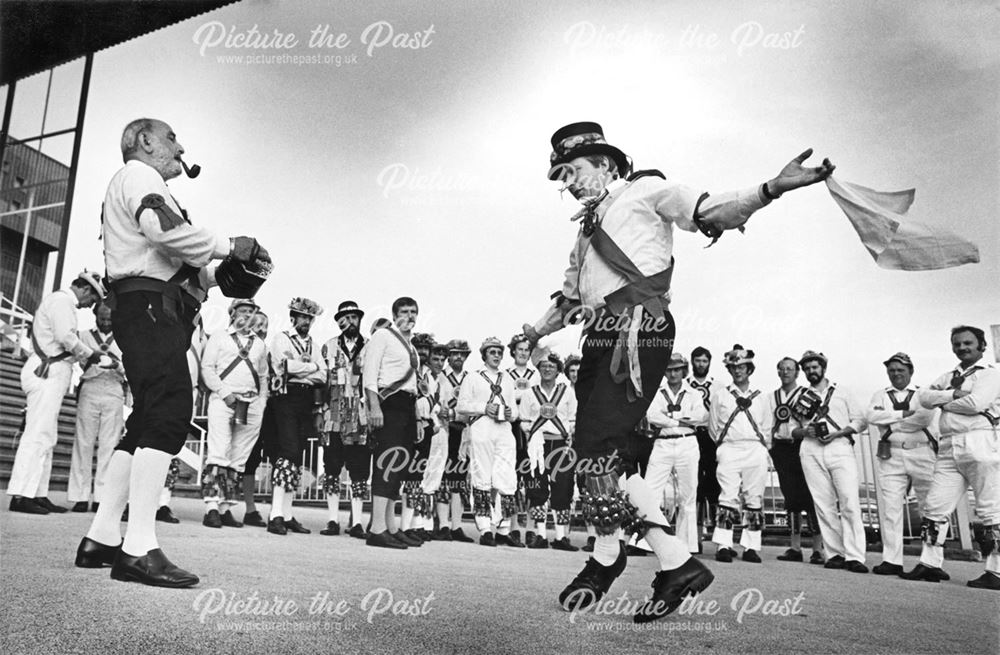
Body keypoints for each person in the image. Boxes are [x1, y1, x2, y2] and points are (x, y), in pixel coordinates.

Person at [521, 121, 833, 622]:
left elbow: (708, 210)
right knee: (601, 453)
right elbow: (570, 299)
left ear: (606, 164)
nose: (569, 182)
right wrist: (534, 334)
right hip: (600, 337)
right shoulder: (585, 231)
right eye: (562, 175)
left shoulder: (645, 190)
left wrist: (771, 189)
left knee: (598, 447)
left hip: (639, 330)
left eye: (574, 170)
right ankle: (668, 561)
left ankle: (616, 556)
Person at [75, 117, 270, 588]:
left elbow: (169, 260)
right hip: (147, 308)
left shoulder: (143, 184)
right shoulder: (141, 176)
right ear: (145, 142)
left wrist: (215, 277)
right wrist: (230, 246)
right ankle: (139, 547)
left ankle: (102, 536)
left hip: (149, 305)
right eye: (171, 138)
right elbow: (162, 231)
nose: (180, 147)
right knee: (168, 411)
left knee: (145, 420)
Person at [904, 326, 1000, 590]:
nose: (962, 348)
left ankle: (996, 569)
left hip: (980, 440)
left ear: (982, 345)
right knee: (935, 505)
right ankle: (930, 563)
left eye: (968, 343)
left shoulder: (991, 374)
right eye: (957, 344)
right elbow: (922, 397)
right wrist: (951, 394)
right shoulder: (949, 376)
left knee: (990, 507)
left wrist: (942, 402)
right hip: (949, 445)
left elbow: (976, 404)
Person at [9, 271, 107, 515]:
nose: (89, 305)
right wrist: (92, 354)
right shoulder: (62, 301)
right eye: (92, 299)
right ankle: (21, 494)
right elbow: (66, 337)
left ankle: (38, 492)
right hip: (47, 371)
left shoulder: (61, 302)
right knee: (37, 434)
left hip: (53, 371)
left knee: (48, 435)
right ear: (85, 289)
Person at [865, 352, 940, 576]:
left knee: (931, 508)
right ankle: (892, 560)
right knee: (891, 509)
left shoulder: (923, 394)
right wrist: (905, 414)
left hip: (922, 453)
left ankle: (933, 561)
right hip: (891, 455)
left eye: (901, 370)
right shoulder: (880, 394)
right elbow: (871, 416)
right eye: (892, 370)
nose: (896, 373)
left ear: (910, 371)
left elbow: (924, 418)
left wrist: (891, 418)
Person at [792, 351, 868, 573]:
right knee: (823, 505)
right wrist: (807, 430)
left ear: (823, 368)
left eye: (814, 367)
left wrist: (837, 433)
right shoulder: (800, 396)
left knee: (849, 502)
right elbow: (791, 430)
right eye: (806, 368)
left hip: (839, 447)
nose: (811, 372)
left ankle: (855, 555)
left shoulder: (842, 392)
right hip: (811, 449)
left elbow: (860, 421)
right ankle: (835, 553)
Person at [199, 298, 268, 529]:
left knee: (239, 457)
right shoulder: (219, 337)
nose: (247, 316)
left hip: (251, 403)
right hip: (223, 399)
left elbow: (263, 376)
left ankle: (226, 507)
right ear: (232, 312)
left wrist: (262, 401)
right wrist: (223, 391)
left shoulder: (259, 344)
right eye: (243, 311)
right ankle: (210, 507)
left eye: (251, 312)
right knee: (219, 451)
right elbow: (207, 368)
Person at [362, 297, 423, 549]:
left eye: (413, 312)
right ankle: (376, 528)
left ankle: (390, 526)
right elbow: (369, 373)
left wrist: (417, 417)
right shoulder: (384, 336)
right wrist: (373, 406)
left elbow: (414, 384)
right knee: (387, 462)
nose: (409, 316)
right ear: (394, 314)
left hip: (407, 407)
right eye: (404, 312)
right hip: (388, 405)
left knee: (398, 466)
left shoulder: (411, 345)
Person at [267, 297, 326, 536]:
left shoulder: (314, 343)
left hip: (305, 399)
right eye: (302, 317)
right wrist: (310, 368)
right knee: (287, 450)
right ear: (293, 317)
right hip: (285, 397)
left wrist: (305, 370)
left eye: (310, 318)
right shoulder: (282, 337)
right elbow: (283, 366)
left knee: (297, 454)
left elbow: (324, 375)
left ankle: (287, 514)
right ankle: (275, 514)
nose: (306, 322)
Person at [709, 346, 773, 563]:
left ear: (749, 369)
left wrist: (762, 448)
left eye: (742, 367)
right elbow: (713, 426)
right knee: (727, 495)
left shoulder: (761, 398)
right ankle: (724, 545)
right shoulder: (721, 395)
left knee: (754, 496)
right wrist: (723, 446)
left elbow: (767, 425)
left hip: (755, 449)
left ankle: (751, 546)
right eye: (733, 367)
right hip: (730, 448)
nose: (738, 371)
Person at [458, 337, 523, 547]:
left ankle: (504, 528)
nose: (496, 356)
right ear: (484, 354)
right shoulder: (473, 378)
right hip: (482, 428)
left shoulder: (507, 379)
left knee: (506, 478)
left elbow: (515, 409)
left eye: (499, 352)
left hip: (503, 429)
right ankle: (485, 528)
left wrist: (512, 413)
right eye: (492, 352)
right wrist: (483, 408)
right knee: (482, 477)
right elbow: (462, 405)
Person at [644, 353, 706, 554]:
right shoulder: (657, 391)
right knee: (650, 490)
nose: (673, 373)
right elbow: (652, 416)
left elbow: (700, 416)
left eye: (677, 369)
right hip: (663, 443)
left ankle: (686, 544)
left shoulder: (693, 393)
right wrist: (678, 421)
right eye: (669, 369)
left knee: (688, 494)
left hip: (687, 443)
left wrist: (669, 418)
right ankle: (645, 542)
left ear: (684, 371)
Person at [319, 300, 371, 538]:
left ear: (360, 319)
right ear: (339, 321)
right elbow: (321, 382)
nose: (350, 321)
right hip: (334, 413)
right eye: (345, 317)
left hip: (360, 415)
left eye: (354, 317)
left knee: (359, 468)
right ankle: (332, 519)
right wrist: (318, 410)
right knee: (331, 466)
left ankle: (358, 521)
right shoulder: (328, 347)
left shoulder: (370, 347)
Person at [69, 302, 127, 513]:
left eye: (109, 319)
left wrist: (117, 365)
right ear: (94, 316)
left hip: (113, 389)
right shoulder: (83, 335)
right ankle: (80, 496)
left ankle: (103, 496)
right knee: (83, 442)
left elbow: (131, 368)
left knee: (109, 445)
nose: (104, 322)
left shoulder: (125, 338)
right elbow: (73, 358)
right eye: (101, 318)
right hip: (90, 389)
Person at [766, 357, 824, 564]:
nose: (785, 372)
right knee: (790, 497)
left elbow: (812, 421)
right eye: (781, 369)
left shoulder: (806, 395)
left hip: (802, 445)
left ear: (797, 372)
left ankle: (818, 548)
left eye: (789, 369)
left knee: (810, 495)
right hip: (781, 448)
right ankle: (795, 546)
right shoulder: (771, 397)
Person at [521, 352, 578, 550]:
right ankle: (541, 535)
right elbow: (524, 421)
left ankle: (561, 537)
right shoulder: (530, 393)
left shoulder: (567, 393)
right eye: (544, 366)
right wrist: (532, 433)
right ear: (539, 369)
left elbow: (572, 419)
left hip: (560, 445)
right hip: (537, 446)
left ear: (558, 371)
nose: (547, 369)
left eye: (551, 366)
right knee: (537, 487)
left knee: (563, 487)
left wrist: (569, 433)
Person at [436, 339, 475, 542]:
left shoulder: (472, 378)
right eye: (454, 353)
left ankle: (457, 526)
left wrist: (453, 413)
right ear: (448, 357)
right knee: (442, 476)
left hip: (464, 433)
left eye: (462, 353)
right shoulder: (440, 377)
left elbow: (473, 407)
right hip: (443, 431)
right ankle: (442, 525)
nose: (458, 357)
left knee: (458, 480)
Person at [400, 332, 437, 541]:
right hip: (409, 425)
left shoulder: (430, 376)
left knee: (416, 477)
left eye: (426, 349)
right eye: (419, 348)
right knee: (400, 473)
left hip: (426, 426)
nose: (423, 352)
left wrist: (434, 421)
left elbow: (430, 402)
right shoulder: (409, 370)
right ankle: (395, 526)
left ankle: (410, 526)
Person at [687, 346, 723, 541]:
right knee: (695, 484)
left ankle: (719, 534)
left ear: (709, 363)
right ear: (692, 362)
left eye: (704, 361)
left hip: (711, 437)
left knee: (714, 483)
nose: (701, 364)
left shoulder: (718, 386)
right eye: (697, 360)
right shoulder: (685, 384)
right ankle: (696, 534)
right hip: (692, 435)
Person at [241, 310, 272, 527]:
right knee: (242, 455)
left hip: (267, 408)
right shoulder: (242, 349)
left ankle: (255, 510)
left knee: (256, 457)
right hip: (245, 404)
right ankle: (229, 505)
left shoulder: (269, 351)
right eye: (258, 324)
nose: (262, 329)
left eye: (265, 325)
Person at [506, 333, 537, 543]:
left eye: (527, 350)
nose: (523, 353)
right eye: (520, 349)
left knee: (533, 477)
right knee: (513, 476)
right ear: (513, 351)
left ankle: (533, 527)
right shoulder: (506, 373)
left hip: (532, 428)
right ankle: (514, 526)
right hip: (511, 428)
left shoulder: (536, 373)